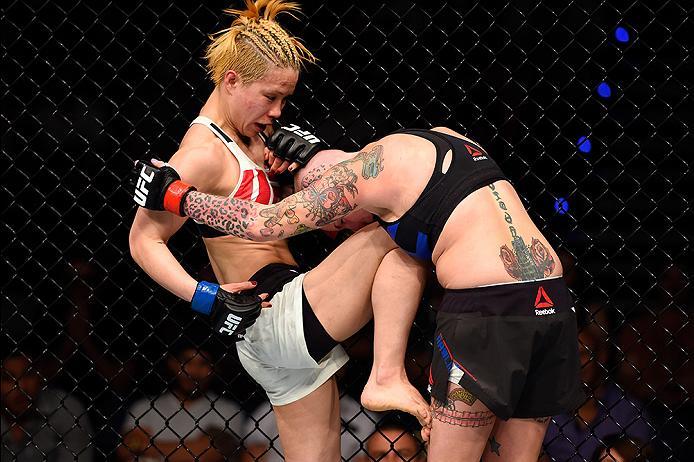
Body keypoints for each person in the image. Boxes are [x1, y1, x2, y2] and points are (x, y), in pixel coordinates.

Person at [134, 125, 586, 461]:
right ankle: (385, 375)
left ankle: (385, 376)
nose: (343, 233)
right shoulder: (440, 138)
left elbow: (260, 224)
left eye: (334, 223)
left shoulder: (363, 177)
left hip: (487, 311)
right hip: (552, 302)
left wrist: (175, 195)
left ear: (334, 197)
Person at [128, 2, 430, 460]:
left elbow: (336, 220)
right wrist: (203, 295)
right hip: (275, 318)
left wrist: (304, 167)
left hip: (284, 329)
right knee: (399, 225)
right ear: (231, 80)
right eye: (270, 97)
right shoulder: (203, 153)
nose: (277, 110)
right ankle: (388, 371)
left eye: (285, 99)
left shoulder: (257, 138)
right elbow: (142, 239)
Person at [543, 325, 653, 461]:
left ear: (601, 357)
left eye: (583, 354)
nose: (575, 364)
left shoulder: (628, 410)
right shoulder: (545, 409)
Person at [117, 343, 242, 461]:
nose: (194, 371)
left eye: (203, 363)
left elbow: (206, 454)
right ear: (173, 364)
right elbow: (125, 450)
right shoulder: (145, 407)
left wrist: (146, 446)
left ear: (214, 369)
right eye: (187, 362)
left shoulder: (227, 410)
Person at [1, 352, 94, 461]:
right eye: (8, 378)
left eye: (28, 374)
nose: (21, 387)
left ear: (40, 375)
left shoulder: (67, 409)